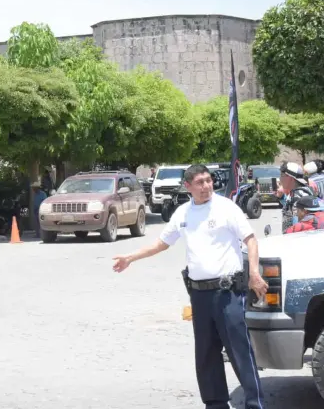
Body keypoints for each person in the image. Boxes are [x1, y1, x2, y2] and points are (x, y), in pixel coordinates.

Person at [112, 165, 268, 409]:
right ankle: (215, 404)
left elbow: (250, 239)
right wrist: (130, 258)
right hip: (199, 294)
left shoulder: (226, 207)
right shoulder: (183, 213)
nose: (206, 186)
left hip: (227, 292)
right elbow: (161, 244)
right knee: (206, 354)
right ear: (188, 186)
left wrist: (255, 274)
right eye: (200, 182)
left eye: (208, 180)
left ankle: (254, 404)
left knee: (239, 351)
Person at [276, 162, 316, 234]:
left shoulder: (297, 197)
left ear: (290, 178)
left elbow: (296, 226)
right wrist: (281, 197)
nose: (280, 179)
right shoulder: (303, 191)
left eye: (282, 175)